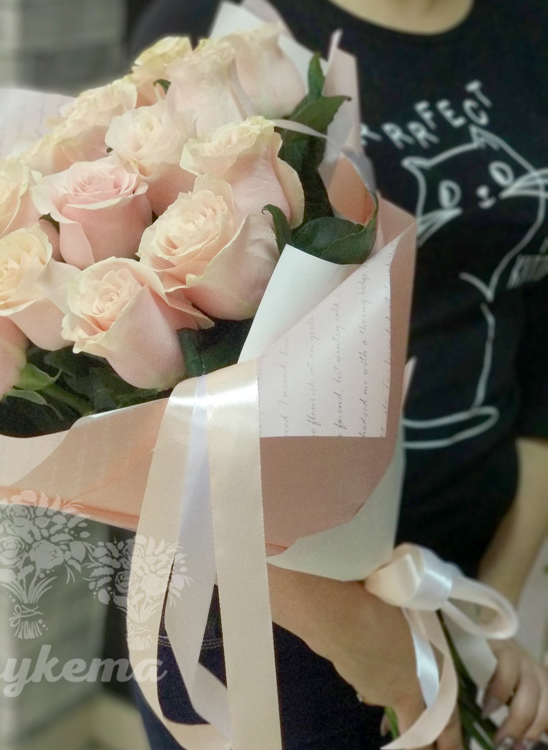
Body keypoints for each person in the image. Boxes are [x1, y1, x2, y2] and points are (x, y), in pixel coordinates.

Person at [128, 1, 548, 748]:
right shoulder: (222, 24)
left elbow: (541, 342)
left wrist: (493, 605)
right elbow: (158, 403)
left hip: (469, 580)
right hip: (262, 614)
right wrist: (368, 645)